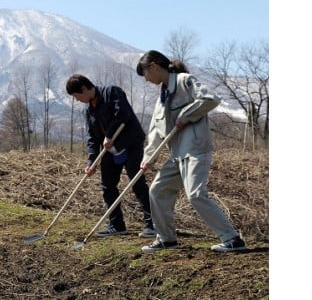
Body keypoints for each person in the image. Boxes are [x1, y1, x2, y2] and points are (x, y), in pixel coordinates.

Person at [135, 50, 246, 252]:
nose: (147, 80)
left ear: (153, 66)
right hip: (177, 155)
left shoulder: (185, 81)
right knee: (157, 190)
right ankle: (167, 239)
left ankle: (232, 239)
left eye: (146, 75)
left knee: (195, 194)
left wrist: (187, 115)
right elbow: (154, 133)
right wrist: (148, 158)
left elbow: (211, 99)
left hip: (195, 150)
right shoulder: (161, 100)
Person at [65, 74, 155, 238]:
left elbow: (123, 114)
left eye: (77, 96)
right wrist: (91, 161)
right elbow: (92, 137)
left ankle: (153, 224)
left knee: (137, 182)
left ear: (84, 89)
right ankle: (116, 224)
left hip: (130, 143)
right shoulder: (89, 111)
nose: (78, 100)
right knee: (107, 186)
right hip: (109, 150)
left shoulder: (112, 92)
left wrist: (110, 135)